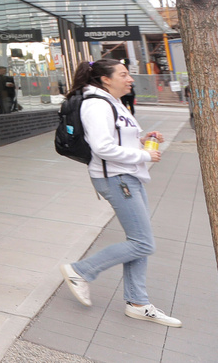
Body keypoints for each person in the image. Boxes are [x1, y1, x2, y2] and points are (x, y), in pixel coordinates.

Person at [58, 59, 181, 327]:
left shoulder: (113, 102)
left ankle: (138, 303)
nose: (130, 79)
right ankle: (80, 271)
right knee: (143, 243)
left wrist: (145, 139)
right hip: (116, 178)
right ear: (105, 79)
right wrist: (143, 154)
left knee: (138, 242)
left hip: (128, 177)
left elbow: (118, 139)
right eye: (123, 74)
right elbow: (102, 147)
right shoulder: (96, 104)